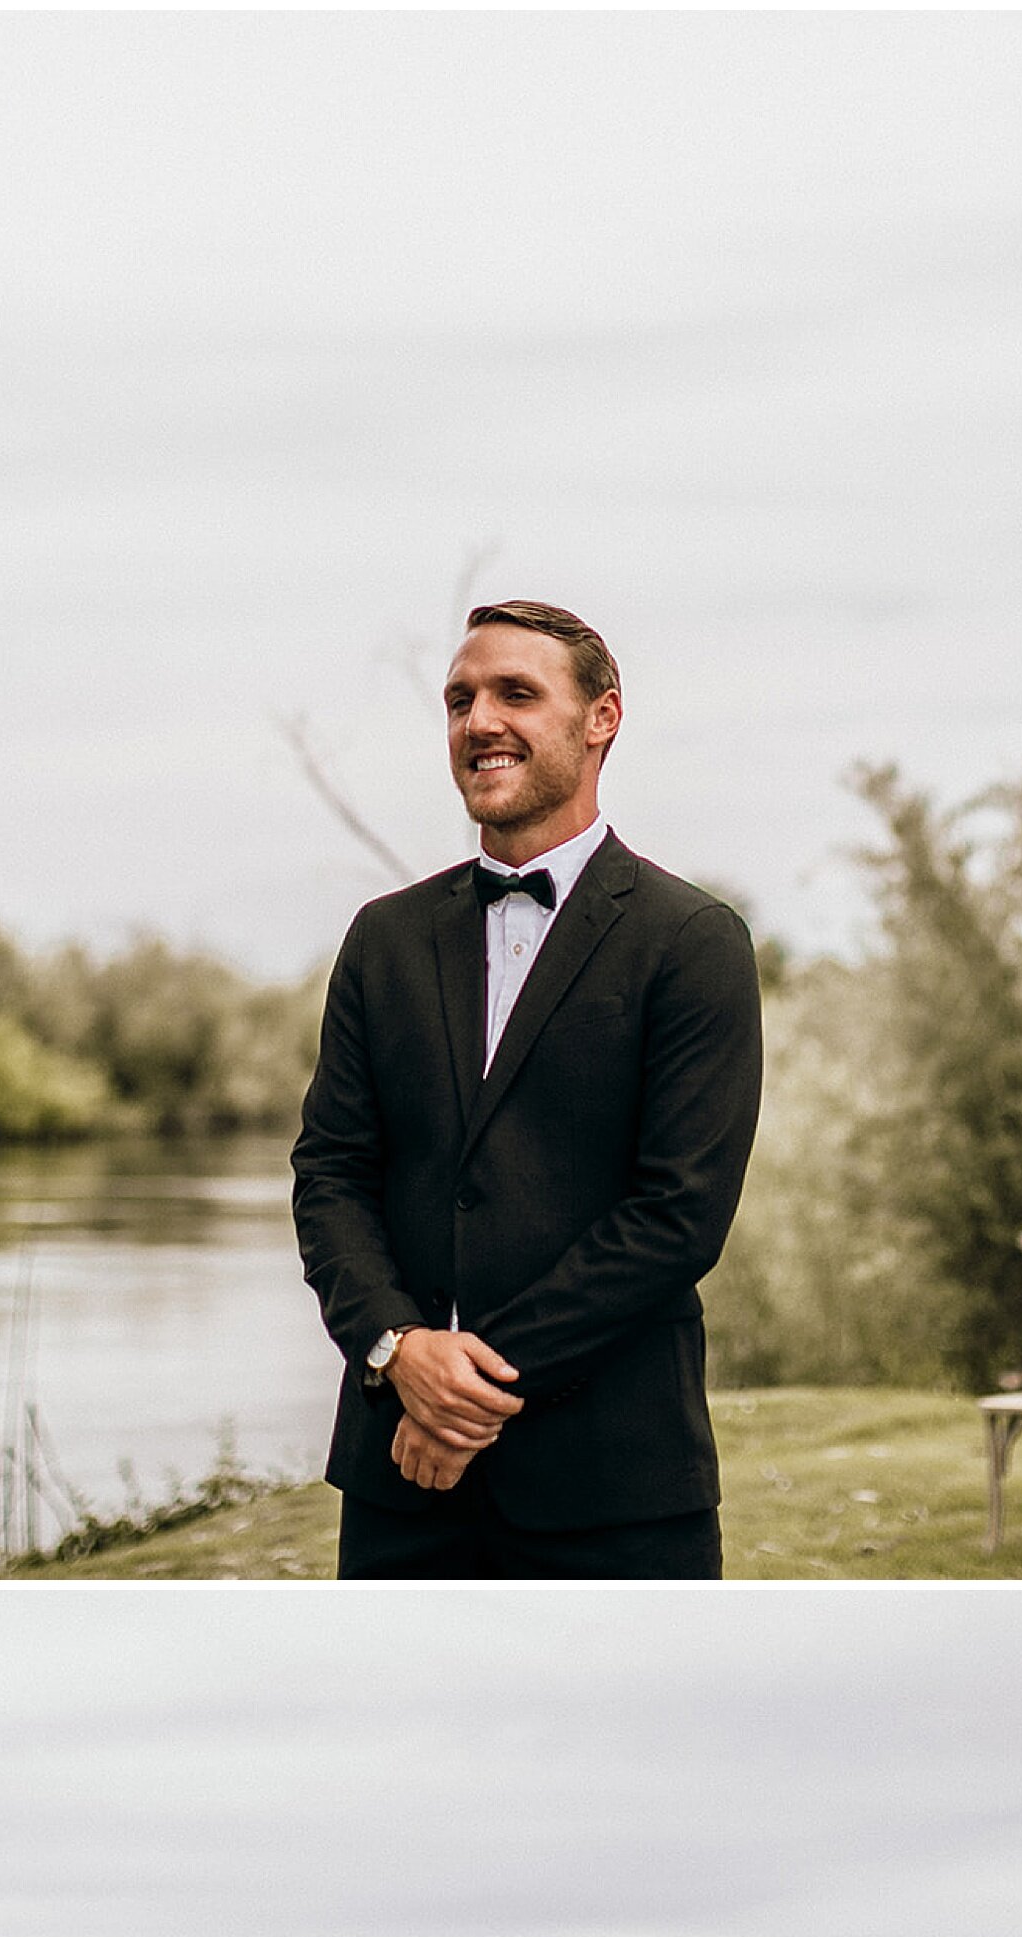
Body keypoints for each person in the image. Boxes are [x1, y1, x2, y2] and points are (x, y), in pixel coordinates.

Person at [291, 598, 762, 1579]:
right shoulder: (384, 938)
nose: (478, 721)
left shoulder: (691, 940)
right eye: (460, 699)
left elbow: (677, 1216)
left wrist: (461, 1392)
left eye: (516, 692)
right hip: (398, 1488)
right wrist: (398, 1351)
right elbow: (331, 1172)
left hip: (616, 1489)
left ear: (602, 718)